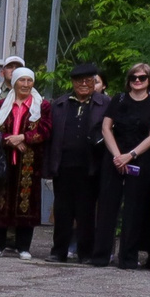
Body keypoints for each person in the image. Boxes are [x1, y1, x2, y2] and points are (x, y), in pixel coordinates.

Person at [98, 62, 150, 270]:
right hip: (114, 155)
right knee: (108, 206)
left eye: (142, 78)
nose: (137, 81)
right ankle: (101, 254)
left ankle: (127, 257)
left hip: (139, 158)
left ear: (149, 80)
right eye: (134, 77)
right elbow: (106, 128)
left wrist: (131, 155)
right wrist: (118, 156)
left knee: (133, 210)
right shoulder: (118, 99)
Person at [46, 63, 108, 263]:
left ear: (94, 82)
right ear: (72, 82)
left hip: (91, 166)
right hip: (63, 164)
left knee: (87, 211)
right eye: (79, 80)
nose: (83, 84)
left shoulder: (105, 103)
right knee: (62, 210)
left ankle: (86, 253)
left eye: (88, 80)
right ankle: (58, 251)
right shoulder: (60, 103)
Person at [0, 67, 48, 257]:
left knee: (26, 201)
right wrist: (8, 140)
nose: (26, 85)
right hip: (4, 159)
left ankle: (23, 247)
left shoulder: (42, 105)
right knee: (0, 200)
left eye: (30, 81)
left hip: (29, 163)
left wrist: (23, 138)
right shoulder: (2, 104)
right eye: (22, 81)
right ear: (14, 83)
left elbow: (45, 130)